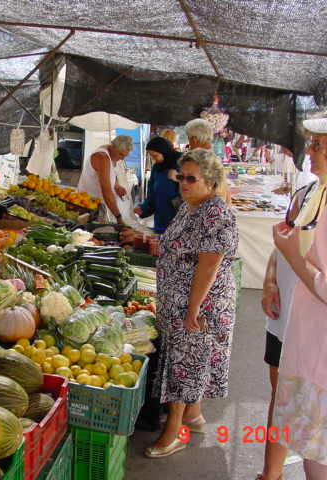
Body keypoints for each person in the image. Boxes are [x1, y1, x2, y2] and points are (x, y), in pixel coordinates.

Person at [145, 149, 239, 458]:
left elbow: (208, 266)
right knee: (188, 361)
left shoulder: (216, 214)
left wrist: (193, 309)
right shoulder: (192, 207)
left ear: (211, 183)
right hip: (183, 301)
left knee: (184, 366)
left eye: (191, 179)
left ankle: (173, 432)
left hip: (199, 306)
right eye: (180, 177)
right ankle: (194, 416)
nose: (183, 183)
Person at [257, 117, 327, 480]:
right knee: (290, 411)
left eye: (318, 144)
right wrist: (271, 280)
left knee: (320, 453)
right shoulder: (312, 193)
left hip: (318, 347)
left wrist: (294, 258)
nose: (309, 151)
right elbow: (285, 245)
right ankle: (271, 473)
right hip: (293, 328)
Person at [77, 135, 133, 225]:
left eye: (125, 156)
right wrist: (118, 217)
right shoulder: (102, 157)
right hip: (89, 205)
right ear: (113, 147)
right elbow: (106, 190)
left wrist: (116, 186)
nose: (122, 158)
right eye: (121, 154)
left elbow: (111, 173)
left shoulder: (112, 153)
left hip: (97, 204)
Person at [134, 137, 181, 233]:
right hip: (161, 217)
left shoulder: (181, 163)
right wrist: (143, 208)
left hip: (178, 216)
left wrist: (178, 178)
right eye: (151, 156)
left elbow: (192, 186)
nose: (153, 159)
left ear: (164, 151)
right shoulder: (157, 168)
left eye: (155, 155)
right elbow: (152, 193)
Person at [185, 118, 233, 205]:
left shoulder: (199, 159)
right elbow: (227, 194)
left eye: (189, 139)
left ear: (194, 139)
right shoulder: (214, 157)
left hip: (205, 212)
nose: (189, 144)